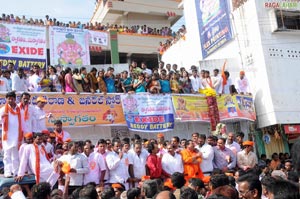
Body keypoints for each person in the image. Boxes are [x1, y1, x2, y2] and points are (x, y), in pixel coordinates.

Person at [0, 91, 22, 177]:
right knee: (7, 154)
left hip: (16, 135)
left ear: (15, 99)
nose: (10, 100)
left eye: (12, 98)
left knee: (15, 154)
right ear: (6, 99)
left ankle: (15, 171)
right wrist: (1, 117)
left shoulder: (18, 109)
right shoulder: (2, 110)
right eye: (9, 98)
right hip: (7, 135)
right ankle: (7, 172)